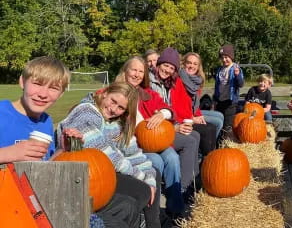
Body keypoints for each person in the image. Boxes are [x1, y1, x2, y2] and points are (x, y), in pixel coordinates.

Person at [0, 56, 138, 228]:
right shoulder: (2, 113)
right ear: (22, 81)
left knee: (128, 205)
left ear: (62, 93)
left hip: (40, 199)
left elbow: (45, 166)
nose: (43, 94)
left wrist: (63, 149)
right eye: (37, 83)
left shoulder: (45, 122)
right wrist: (8, 153)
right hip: (12, 208)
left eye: (53, 88)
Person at [57, 82, 162, 228]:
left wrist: (149, 177)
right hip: (83, 176)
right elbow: (104, 153)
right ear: (105, 93)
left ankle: (151, 224)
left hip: (104, 171)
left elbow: (134, 155)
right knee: (141, 191)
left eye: (121, 108)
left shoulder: (116, 123)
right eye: (113, 101)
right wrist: (141, 177)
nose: (113, 109)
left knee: (154, 173)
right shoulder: (86, 111)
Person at [115, 56, 185, 217]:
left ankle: (175, 208)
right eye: (134, 70)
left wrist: (162, 113)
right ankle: (152, 211)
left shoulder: (147, 94)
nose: (137, 74)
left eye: (141, 71)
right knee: (156, 161)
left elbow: (168, 109)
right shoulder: (114, 92)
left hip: (154, 140)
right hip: (134, 145)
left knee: (173, 157)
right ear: (125, 71)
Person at [180, 52, 224, 139]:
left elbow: (195, 105)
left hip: (193, 112)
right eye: (189, 63)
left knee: (220, 115)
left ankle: (213, 143)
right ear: (184, 63)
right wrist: (194, 118)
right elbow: (181, 106)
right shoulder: (180, 79)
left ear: (198, 66)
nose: (192, 66)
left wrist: (199, 115)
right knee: (218, 122)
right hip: (186, 115)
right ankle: (208, 146)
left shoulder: (197, 81)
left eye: (195, 64)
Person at [212, 44, 244, 133]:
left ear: (231, 57)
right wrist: (214, 99)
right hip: (220, 101)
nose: (224, 59)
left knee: (228, 125)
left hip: (230, 102)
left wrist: (237, 75)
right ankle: (219, 142)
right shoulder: (220, 70)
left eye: (226, 57)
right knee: (219, 123)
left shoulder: (235, 68)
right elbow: (217, 86)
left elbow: (241, 84)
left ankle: (226, 143)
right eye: (222, 57)